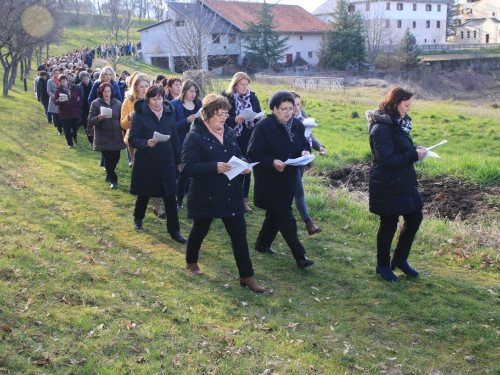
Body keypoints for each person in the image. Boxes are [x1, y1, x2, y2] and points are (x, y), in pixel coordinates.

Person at [181, 94, 264, 292]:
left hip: (230, 192)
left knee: (239, 235)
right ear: (208, 114)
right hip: (206, 193)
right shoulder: (194, 136)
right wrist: (214, 167)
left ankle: (247, 276)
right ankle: (191, 262)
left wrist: (244, 164)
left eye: (226, 113)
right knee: (200, 230)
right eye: (220, 114)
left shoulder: (228, 132)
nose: (224, 118)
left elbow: (237, 153)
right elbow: (188, 167)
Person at [247, 91, 314, 269]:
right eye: (283, 109)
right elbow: (253, 153)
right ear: (274, 109)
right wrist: (272, 162)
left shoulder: (298, 125)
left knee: (274, 215)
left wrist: (305, 151)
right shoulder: (263, 127)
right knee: (285, 217)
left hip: (289, 178)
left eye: (290, 109)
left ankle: (262, 244)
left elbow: (304, 144)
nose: (287, 112)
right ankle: (300, 256)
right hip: (270, 180)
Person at [366, 86, 427, 282]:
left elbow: (400, 148)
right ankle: (382, 265)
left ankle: (400, 260)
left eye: (410, 105)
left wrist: (416, 151)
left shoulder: (399, 123)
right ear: (395, 103)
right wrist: (412, 155)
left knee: (415, 217)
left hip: (404, 182)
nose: (409, 109)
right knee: (389, 224)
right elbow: (387, 159)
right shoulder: (382, 127)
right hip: (387, 184)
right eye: (406, 105)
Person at [128, 85, 187, 244]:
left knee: (169, 195)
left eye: (160, 98)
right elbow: (132, 138)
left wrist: (178, 161)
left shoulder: (169, 112)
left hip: (166, 160)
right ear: (147, 99)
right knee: (144, 193)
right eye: (153, 99)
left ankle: (175, 231)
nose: (157, 102)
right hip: (147, 160)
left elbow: (174, 138)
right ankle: (138, 218)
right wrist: (146, 142)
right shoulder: (140, 114)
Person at [120, 73, 166, 218]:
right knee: (142, 173)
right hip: (136, 142)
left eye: (147, 86)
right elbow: (122, 124)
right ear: (135, 87)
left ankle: (157, 204)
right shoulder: (129, 101)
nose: (145, 89)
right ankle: (142, 203)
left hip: (154, 140)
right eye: (142, 86)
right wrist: (130, 117)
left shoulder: (154, 99)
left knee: (156, 172)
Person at [223, 72, 263, 213]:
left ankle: (244, 200)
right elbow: (221, 119)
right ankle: (231, 198)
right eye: (242, 84)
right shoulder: (226, 98)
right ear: (235, 84)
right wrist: (235, 120)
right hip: (231, 137)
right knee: (233, 168)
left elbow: (257, 112)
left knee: (247, 168)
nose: (245, 87)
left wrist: (259, 117)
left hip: (248, 137)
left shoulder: (252, 97)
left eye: (247, 84)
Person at [290, 91, 326, 235]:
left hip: (304, 159)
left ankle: (283, 213)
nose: (297, 108)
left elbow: (309, 135)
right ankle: (309, 223)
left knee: (292, 190)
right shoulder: (286, 121)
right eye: (294, 105)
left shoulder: (302, 116)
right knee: (299, 191)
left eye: (298, 104)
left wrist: (320, 146)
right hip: (292, 160)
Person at [171, 79, 202, 209]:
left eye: (195, 91)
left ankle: (196, 198)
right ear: (184, 91)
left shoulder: (199, 104)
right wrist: (186, 121)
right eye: (191, 91)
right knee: (183, 173)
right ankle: (179, 199)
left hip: (197, 142)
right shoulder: (175, 104)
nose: (193, 94)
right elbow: (171, 127)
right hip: (182, 142)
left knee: (197, 173)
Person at [88, 82, 125, 188]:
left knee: (116, 157)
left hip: (116, 135)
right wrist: (99, 118)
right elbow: (90, 120)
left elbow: (121, 118)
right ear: (101, 92)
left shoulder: (117, 103)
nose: (107, 94)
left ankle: (109, 173)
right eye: (105, 92)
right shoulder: (96, 103)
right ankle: (114, 180)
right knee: (108, 159)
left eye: (109, 91)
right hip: (103, 136)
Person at [54, 74, 82, 148]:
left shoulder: (74, 87)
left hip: (74, 111)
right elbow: (55, 102)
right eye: (62, 81)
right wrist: (59, 100)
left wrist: (78, 105)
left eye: (65, 81)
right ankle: (70, 143)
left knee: (75, 126)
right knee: (67, 129)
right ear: (60, 82)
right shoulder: (58, 90)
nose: (64, 82)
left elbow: (79, 97)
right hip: (64, 112)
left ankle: (74, 135)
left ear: (67, 80)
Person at [77, 71, 94, 145]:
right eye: (83, 79)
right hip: (84, 108)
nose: (85, 80)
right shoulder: (79, 86)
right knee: (86, 124)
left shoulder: (93, 84)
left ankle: (95, 139)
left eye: (86, 78)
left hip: (93, 107)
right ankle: (90, 140)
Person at [47, 69, 64, 135]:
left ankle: (63, 127)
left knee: (62, 114)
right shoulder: (50, 81)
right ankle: (59, 129)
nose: (57, 74)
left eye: (58, 73)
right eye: (56, 73)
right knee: (56, 115)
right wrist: (55, 97)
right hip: (54, 99)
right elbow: (49, 90)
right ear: (53, 74)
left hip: (62, 99)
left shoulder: (62, 81)